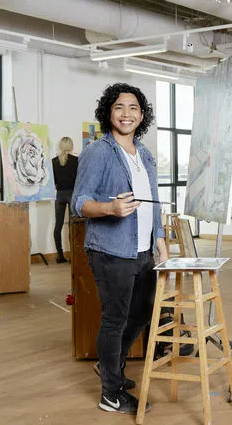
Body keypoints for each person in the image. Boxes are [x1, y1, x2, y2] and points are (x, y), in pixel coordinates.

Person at [72, 83, 169, 415]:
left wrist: (160, 243)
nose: (126, 114)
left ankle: (109, 365)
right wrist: (109, 209)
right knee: (115, 319)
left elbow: (153, 204)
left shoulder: (145, 154)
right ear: (108, 113)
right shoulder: (98, 151)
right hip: (111, 250)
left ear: (142, 115)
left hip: (143, 251)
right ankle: (110, 393)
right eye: (119, 107)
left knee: (143, 312)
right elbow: (79, 202)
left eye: (133, 108)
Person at [52, 137, 78, 264]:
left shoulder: (54, 161)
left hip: (60, 195)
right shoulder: (76, 161)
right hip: (72, 194)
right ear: (71, 146)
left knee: (58, 225)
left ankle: (59, 255)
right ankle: (73, 256)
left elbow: (54, 181)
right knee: (72, 225)